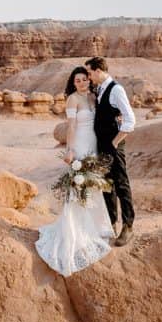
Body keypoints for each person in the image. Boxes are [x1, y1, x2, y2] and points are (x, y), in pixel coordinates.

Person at [35, 67, 114, 276]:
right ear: (73, 82)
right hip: (79, 145)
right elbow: (71, 126)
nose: (81, 83)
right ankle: (77, 231)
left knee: (93, 183)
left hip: (93, 144)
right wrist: (69, 150)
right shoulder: (72, 99)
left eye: (84, 79)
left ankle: (96, 227)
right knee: (79, 185)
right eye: (77, 80)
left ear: (89, 80)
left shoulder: (92, 96)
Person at [84, 56, 136, 246]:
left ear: (98, 71)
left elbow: (130, 120)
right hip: (102, 146)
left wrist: (114, 143)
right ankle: (112, 223)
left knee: (121, 184)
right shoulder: (100, 89)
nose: (89, 77)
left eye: (89, 73)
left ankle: (128, 226)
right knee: (107, 185)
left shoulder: (116, 89)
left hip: (113, 146)